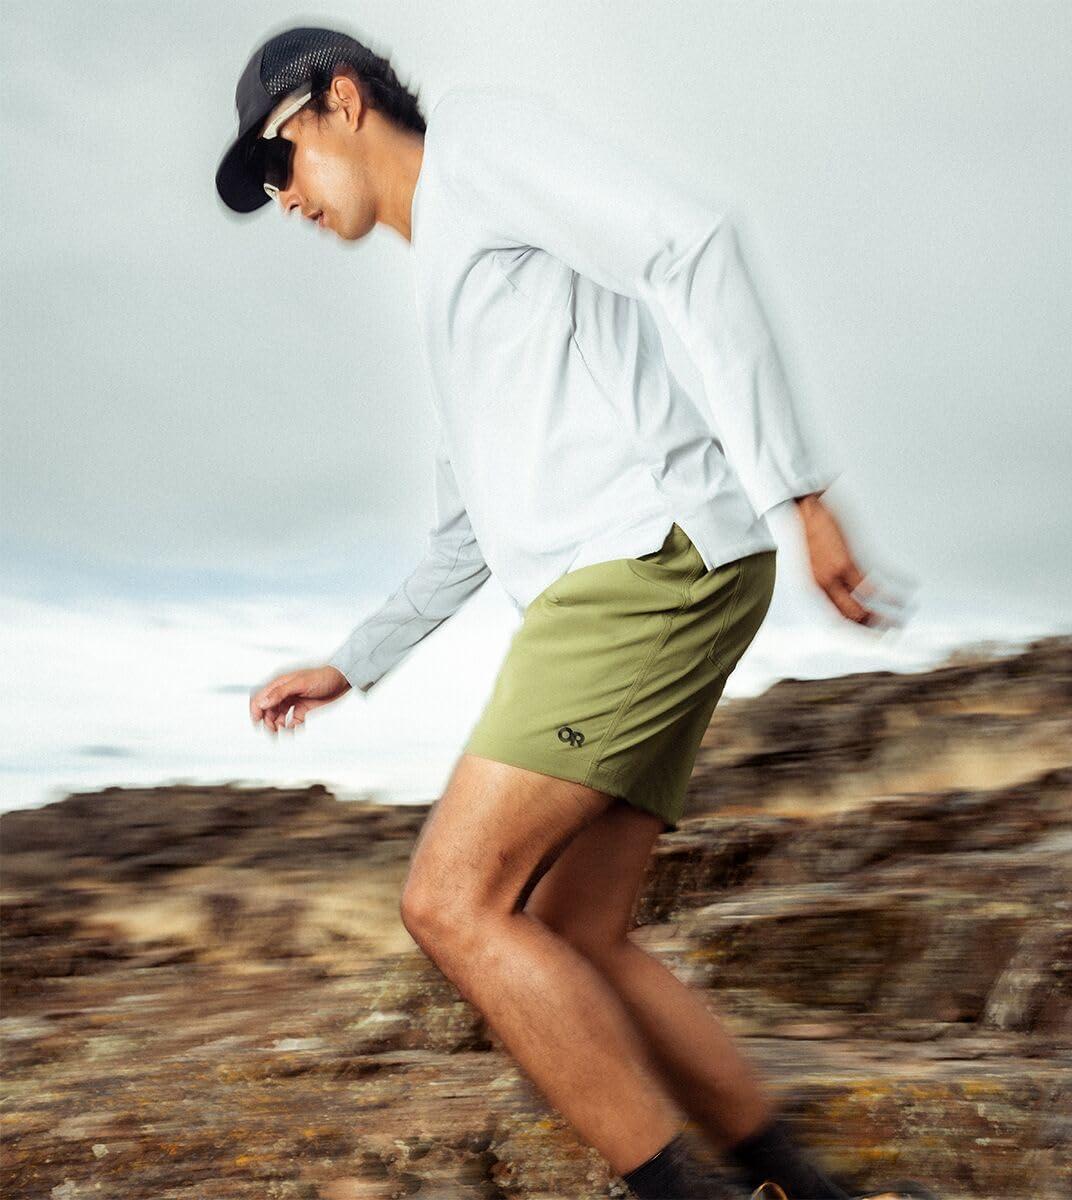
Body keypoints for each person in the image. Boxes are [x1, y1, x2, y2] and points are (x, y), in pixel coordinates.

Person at [217, 24, 929, 1200]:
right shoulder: (447, 273)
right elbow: (466, 535)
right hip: (647, 578)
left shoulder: (480, 148)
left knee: (451, 902)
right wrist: (350, 662)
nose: (279, 195)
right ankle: (808, 1190)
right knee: (572, 928)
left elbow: (688, 243)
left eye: (275, 158)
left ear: (342, 101)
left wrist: (799, 489)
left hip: (645, 568)